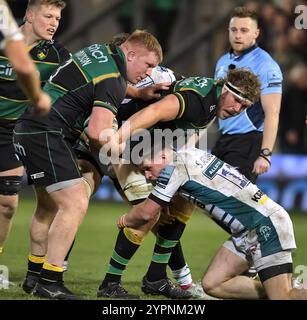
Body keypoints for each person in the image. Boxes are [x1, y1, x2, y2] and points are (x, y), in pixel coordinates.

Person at [14, 30, 163, 300]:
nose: (149, 72)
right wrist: (133, 157)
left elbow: (100, 81)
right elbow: (97, 132)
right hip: (47, 133)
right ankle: (51, 281)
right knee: (75, 202)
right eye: (148, 65)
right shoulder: (114, 79)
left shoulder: (99, 52)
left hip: (29, 128)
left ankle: (34, 276)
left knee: (47, 207)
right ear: (130, 55)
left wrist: (138, 94)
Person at [101, 67, 260, 299]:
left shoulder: (213, 101)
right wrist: (117, 140)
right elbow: (154, 112)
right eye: (236, 100)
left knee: (184, 203)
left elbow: (182, 135)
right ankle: (110, 283)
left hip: (150, 145)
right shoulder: (199, 100)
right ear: (225, 89)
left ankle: (156, 277)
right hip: (128, 142)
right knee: (149, 214)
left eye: (244, 106)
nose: (237, 109)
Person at [117, 145, 307, 300]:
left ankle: (286, 291)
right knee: (213, 284)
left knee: (283, 297)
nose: (148, 177)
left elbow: (146, 213)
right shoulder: (191, 153)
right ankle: (280, 289)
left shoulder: (174, 168)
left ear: (164, 157)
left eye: (148, 169)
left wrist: (125, 220)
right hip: (246, 231)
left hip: (265, 226)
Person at [0, 0, 69, 257]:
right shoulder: (5, 33)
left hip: (9, 132)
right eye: (48, 16)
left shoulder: (57, 56)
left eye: (58, 19)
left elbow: (83, 81)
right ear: (29, 15)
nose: (53, 23)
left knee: (7, 203)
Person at [213, 6, 282, 183]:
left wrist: (265, 154)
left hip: (248, 141)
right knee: (208, 196)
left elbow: (272, 113)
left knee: (235, 202)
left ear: (256, 33)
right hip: (223, 139)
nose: (237, 35)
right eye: (234, 30)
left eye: (244, 30)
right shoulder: (223, 61)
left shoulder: (267, 65)